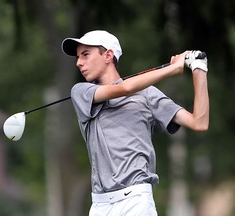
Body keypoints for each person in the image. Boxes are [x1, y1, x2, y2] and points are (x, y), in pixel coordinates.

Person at [61, 30, 209, 216]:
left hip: (136, 201)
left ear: (108, 55)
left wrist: (199, 68)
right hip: (100, 205)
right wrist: (172, 69)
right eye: (78, 57)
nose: (78, 62)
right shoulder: (81, 92)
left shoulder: (148, 95)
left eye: (85, 54)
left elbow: (199, 123)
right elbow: (124, 88)